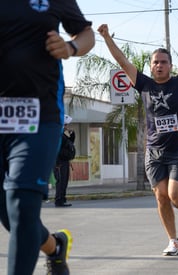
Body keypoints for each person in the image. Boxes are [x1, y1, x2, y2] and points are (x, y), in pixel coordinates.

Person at [98, 24, 178, 256]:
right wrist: (106, 37)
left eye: (163, 62)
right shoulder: (144, 84)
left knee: (175, 195)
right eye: (155, 62)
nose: (159, 65)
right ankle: (173, 240)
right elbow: (123, 62)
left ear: (170, 65)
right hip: (153, 151)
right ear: (151, 66)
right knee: (161, 196)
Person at [0, 2, 95, 274]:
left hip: (38, 115)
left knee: (22, 204)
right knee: (10, 215)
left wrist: (70, 47)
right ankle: (54, 247)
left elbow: (86, 34)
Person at [54, 115, 76, 207]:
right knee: (61, 181)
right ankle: (59, 200)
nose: (67, 127)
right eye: (65, 125)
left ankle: (63, 199)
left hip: (65, 161)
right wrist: (57, 163)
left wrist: (72, 135)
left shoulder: (63, 135)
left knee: (64, 181)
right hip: (59, 163)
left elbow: (69, 145)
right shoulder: (58, 135)